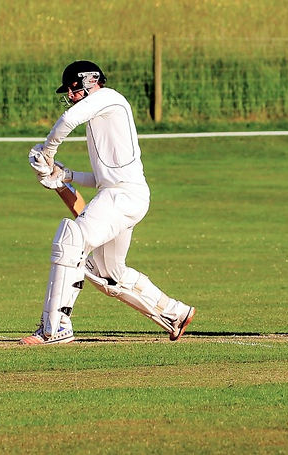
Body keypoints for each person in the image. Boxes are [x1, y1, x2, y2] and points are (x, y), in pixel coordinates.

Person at [22, 60, 195, 345]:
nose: (70, 96)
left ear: (88, 82)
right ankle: (174, 313)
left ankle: (55, 327)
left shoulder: (108, 98)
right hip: (124, 193)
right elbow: (103, 180)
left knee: (72, 239)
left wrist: (49, 151)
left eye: (72, 90)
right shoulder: (101, 116)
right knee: (106, 272)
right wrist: (64, 175)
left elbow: (67, 121)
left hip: (123, 196)